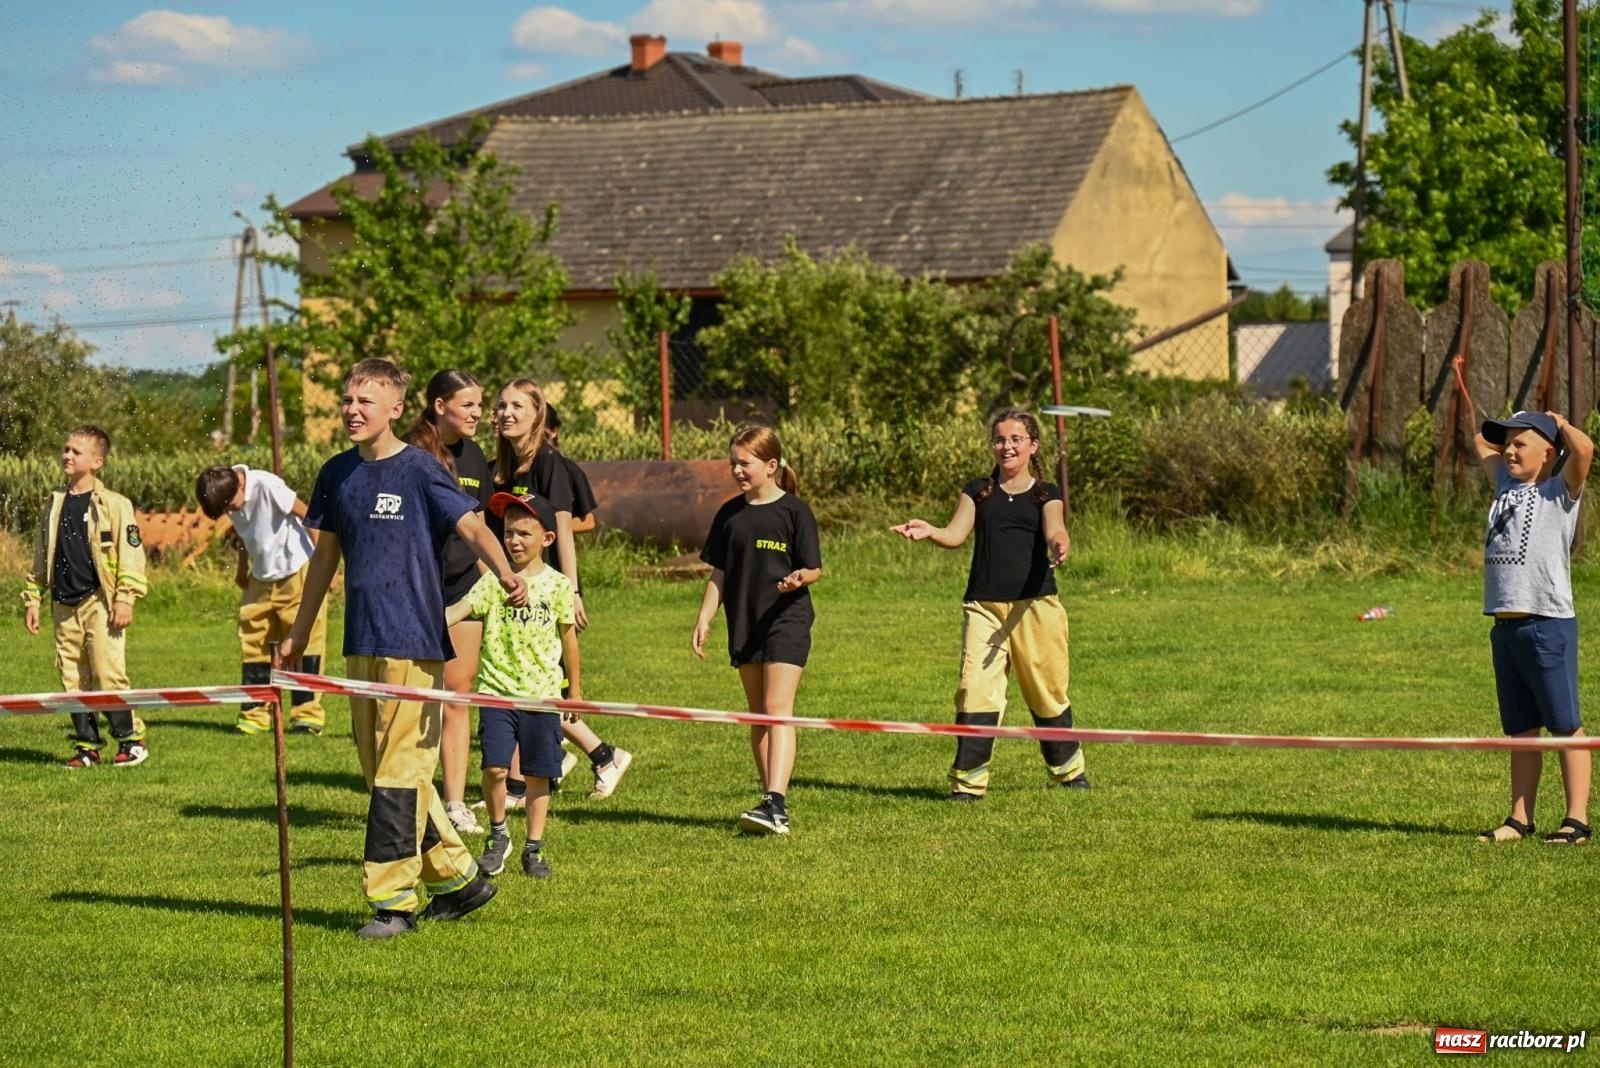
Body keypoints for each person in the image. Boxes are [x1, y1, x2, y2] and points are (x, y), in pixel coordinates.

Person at [277, 358, 529, 939]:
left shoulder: (420, 469)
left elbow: (471, 525)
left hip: (413, 641)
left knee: (399, 771)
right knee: (386, 774)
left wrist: (504, 571)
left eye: (365, 401)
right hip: (361, 640)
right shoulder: (336, 473)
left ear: (395, 408)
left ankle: (393, 903)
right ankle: (458, 879)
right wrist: (299, 631)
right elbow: (325, 559)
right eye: (347, 399)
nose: (352, 410)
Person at [891, 408, 1089, 800]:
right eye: (1000, 439)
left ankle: (1069, 771)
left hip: (1036, 607)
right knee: (975, 690)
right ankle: (968, 783)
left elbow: (1056, 527)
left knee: (1046, 691)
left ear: (1033, 446)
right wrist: (930, 531)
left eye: (1016, 439)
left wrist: (1060, 544)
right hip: (983, 606)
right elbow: (955, 535)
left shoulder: (1046, 493)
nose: (1006, 446)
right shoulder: (978, 490)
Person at [490, 379, 631, 800]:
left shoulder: (549, 463)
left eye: (517, 406)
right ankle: (583, 758)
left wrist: (571, 591)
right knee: (523, 677)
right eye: (501, 406)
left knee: (537, 681)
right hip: (519, 587)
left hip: (548, 589)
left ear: (538, 413)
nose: (506, 413)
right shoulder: (505, 465)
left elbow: (565, 530)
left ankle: (590, 759)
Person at [1464, 401, 1593, 845]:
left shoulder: (1559, 491)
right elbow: (1480, 440)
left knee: (1564, 725)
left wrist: (1558, 423)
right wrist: (1516, 421)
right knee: (1521, 730)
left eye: (1521, 444)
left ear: (1549, 454)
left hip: (1546, 624)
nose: (1509, 452)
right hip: (1506, 628)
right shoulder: (1505, 483)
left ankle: (1576, 821)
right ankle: (1519, 819)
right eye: (1508, 445)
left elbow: (1584, 450)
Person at [692, 425, 822, 835]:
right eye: (733, 463)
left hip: (787, 619)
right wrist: (705, 616)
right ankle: (771, 801)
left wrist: (799, 578)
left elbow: (814, 568)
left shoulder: (795, 512)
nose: (736, 470)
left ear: (771, 465)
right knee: (758, 715)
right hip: (745, 622)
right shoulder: (730, 514)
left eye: (744, 463)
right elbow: (719, 573)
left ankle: (775, 802)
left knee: (778, 708)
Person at [446, 492, 578, 879]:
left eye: (523, 533)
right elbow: (457, 612)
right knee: (495, 768)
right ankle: (498, 834)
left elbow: (569, 640)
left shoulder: (558, 586)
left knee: (538, 775)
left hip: (542, 695)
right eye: (508, 533)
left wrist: (574, 692)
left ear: (547, 539)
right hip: (496, 693)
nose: (514, 540)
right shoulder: (493, 582)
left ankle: (534, 848)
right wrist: (421, 619)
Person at [22, 425, 150, 768]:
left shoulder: (115, 504)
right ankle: (87, 746)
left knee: (108, 673)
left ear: (97, 462)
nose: (67, 455)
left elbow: (131, 554)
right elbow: (41, 556)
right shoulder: (54, 504)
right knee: (72, 678)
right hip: (63, 605)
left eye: (76, 452)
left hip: (100, 603)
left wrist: (125, 598)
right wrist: (33, 597)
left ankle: (131, 741)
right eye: (66, 449)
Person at [402, 370, 492, 835]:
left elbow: (479, 528)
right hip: (418, 588)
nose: (478, 413)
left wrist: (496, 583)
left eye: (480, 404)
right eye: (468, 404)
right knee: (417, 698)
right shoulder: (410, 453)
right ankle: (411, 796)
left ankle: (455, 805)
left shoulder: (474, 456)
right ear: (440, 406)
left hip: (462, 587)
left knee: (458, 694)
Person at [195, 464, 328, 735]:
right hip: (261, 575)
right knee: (253, 643)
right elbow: (246, 533)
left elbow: (308, 515)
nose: (230, 512)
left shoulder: (268, 486)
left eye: (229, 506)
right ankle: (255, 713)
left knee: (302, 642)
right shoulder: (228, 494)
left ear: (240, 485)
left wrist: (323, 563)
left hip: (296, 570)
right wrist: (242, 566)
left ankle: (307, 715)